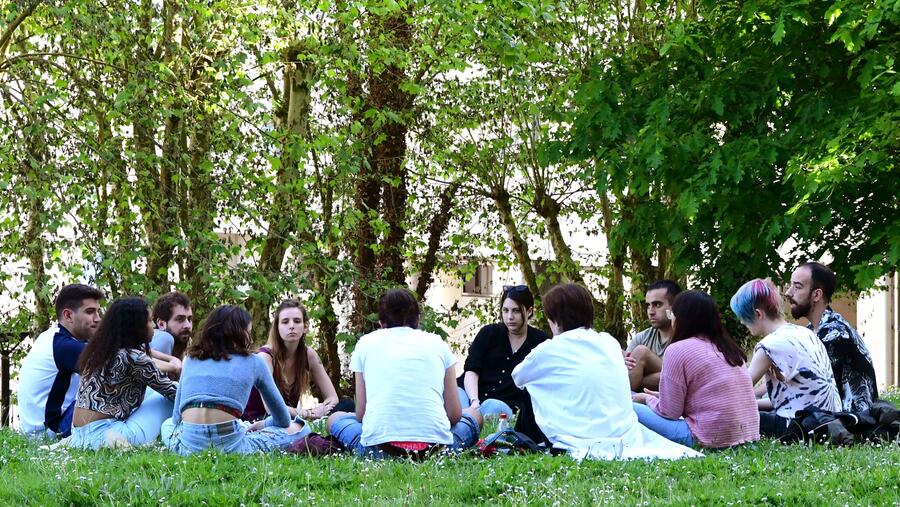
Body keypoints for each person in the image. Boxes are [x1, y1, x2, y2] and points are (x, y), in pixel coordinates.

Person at [511, 283, 700, 460]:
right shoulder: (608, 341)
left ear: (555, 320)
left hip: (579, 437)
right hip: (625, 434)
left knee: (533, 384)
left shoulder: (550, 348)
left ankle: (523, 441)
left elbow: (518, 378)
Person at [327, 289, 483, 458]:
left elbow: (361, 414)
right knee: (474, 414)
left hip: (378, 450)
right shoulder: (437, 343)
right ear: (418, 319)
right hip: (434, 450)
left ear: (381, 323)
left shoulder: (365, 344)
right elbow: (454, 415)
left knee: (335, 419)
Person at [161, 305, 310, 455]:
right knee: (301, 427)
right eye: (249, 332)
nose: (250, 338)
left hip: (189, 446)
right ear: (240, 333)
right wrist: (263, 424)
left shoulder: (190, 359)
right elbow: (283, 420)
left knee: (167, 424)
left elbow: (176, 418)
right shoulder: (254, 362)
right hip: (232, 446)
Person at [632, 291, 759, 448]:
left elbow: (669, 412)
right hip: (748, 435)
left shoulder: (677, 349)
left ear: (681, 318)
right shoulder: (728, 348)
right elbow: (705, 396)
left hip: (707, 436)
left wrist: (646, 399)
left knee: (628, 406)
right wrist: (659, 396)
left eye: (672, 314)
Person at [731, 278, 841, 438]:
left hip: (799, 427)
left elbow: (738, 393)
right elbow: (797, 398)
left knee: (731, 419)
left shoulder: (769, 345)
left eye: (743, 318)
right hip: (830, 420)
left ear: (757, 314)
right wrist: (754, 403)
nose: (742, 323)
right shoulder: (805, 333)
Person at [69, 297, 178, 449]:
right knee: (169, 397)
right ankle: (186, 433)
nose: (153, 325)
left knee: (153, 392)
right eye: (148, 321)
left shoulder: (99, 351)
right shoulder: (134, 357)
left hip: (79, 435)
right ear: (135, 326)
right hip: (109, 435)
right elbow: (174, 393)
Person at [786, 262, 878, 412]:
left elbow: (799, 387)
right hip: (828, 415)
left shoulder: (835, 332)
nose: (788, 293)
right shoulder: (812, 331)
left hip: (850, 421)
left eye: (797, 287)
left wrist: (753, 400)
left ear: (816, 294)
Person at [242, 299, 351, 422]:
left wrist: (323, 409)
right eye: (285, 322)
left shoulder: (309, 355)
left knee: (347, 405)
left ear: (305, 327)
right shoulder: (265, 357)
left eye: (297, 321)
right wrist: (309, 413)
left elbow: (332, 397)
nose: (291, 326)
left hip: (288, 419)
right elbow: (271, 408)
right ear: (277, 327)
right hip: (259, 421)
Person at [17, 284, 103, 439]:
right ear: (68, 315)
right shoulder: (64, 346)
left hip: (38, 429)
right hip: (50, 431)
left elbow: (127, 355)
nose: (97, 318)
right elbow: (126, 364)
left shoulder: (53, 337)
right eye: (90, 312)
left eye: (98, 311)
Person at [456, 285, 549, 417]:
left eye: (516, 311)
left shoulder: (540, 341)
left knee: (492, 407)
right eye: (505, 310)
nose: (509, 317)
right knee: (455, 403)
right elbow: (471, 370)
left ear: (529, 311)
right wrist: (474, 401)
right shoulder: (489, 333)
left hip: (503, 404)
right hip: (470, 394)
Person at [624, 280, 682, 392]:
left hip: (675, 402)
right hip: (644, 402)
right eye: (648, 305)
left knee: (641, 352)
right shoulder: (641, 337)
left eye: (657, 305)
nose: (651, 311)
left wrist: (639, 378)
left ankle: (619, 403)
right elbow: (625, 372)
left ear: (675, 307)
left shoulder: (687, 336)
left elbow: (684, 379)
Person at [149, 291, 193, 361]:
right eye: (180, 319)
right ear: (161, 324)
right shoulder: (163, 337)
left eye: (189, 319)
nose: (188, 325)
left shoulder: (188, 342)